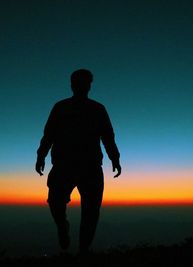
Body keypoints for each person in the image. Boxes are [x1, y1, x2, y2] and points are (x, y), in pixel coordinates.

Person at [35, 69, 121, 254]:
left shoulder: (98, 109)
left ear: (89, 85)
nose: (83, 86)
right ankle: (62, 226)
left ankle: (83, 251)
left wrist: (115, 157)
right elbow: (48, 134)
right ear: (72, 85)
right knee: (56, 202)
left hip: (90, 167)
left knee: (91, 211)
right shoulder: (60, 107)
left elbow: (108, 136)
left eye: (86, 82)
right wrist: (41, 155)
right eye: (79, 82)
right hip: (64, 165)